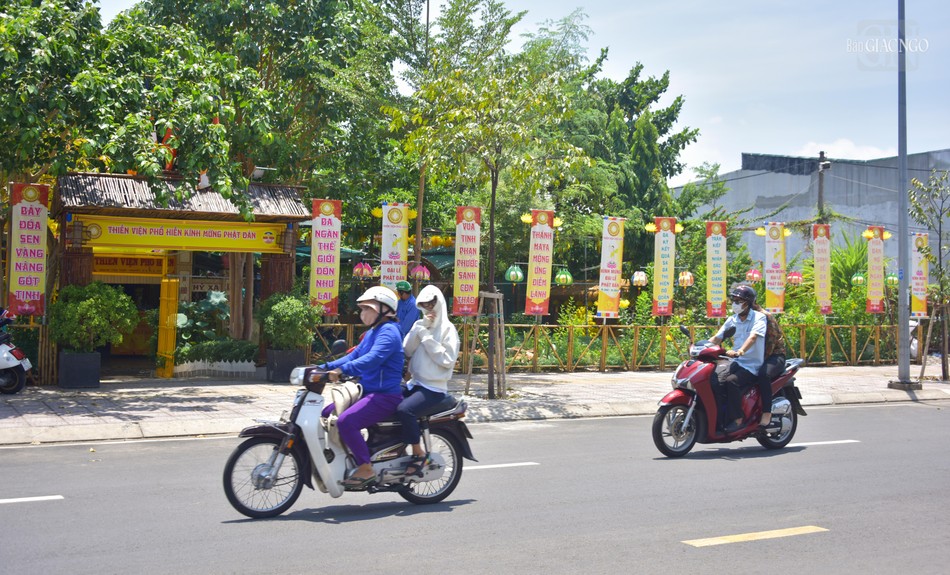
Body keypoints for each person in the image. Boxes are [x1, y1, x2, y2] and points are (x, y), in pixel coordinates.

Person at [322, 286, 405, 489]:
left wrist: (342, 370)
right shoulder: (372, 332)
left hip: (385, 395)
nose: (363, 313)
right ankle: (346, 454)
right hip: (367, 391)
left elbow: (372, 359)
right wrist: (321, 368)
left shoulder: (390, 332)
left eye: (368, 308)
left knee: (346, 421)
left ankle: (366, 467)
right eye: (362, 308)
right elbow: (354, 355)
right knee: (325, 413)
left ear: (384, 309)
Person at [396, 285, 460, 478]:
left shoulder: (448, 330)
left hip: (434, 388)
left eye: (432, 304)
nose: (429, 310)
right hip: (415, 384)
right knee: (385, 401)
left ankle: (418, 454)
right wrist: (417, 330)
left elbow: (447, 360)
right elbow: (407, 350)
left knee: (404, 410)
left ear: (439, 303)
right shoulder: (421, 326)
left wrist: (426, 337)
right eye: (424, 306)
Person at [709, 284, 767, 433]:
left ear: (749, 303)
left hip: (752, 365)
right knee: (715, 380)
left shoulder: (759, 318)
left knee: (731, 381)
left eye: (739, 300)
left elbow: (753, 337)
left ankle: (738, 418)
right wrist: (701, 347)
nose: (735, 304)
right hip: (736, 362)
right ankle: (720, 417)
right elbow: (717, 337)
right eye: (734, 300)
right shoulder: (732, 320)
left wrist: (740, 351)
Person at [751, 300, 787, 428]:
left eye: (740, 302)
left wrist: (759, 360)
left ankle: (767, 412)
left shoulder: (765, 317)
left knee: (763, 374)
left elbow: (771, 343)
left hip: (774, 356)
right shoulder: (742, 318)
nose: (736, 305)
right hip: (752, 356)